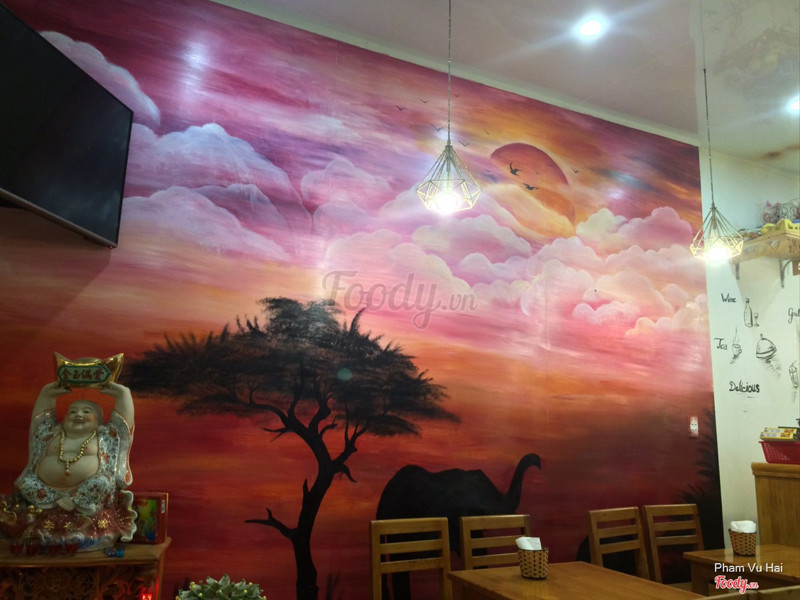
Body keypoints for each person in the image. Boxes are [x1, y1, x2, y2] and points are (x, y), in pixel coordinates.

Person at [0, 381, 137, 552]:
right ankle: (50, 507)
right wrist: (46, 395)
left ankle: (76, 504)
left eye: (86, 411)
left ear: (98, 421)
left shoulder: (104, 437)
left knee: (104, 482)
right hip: (45, 492)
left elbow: (123, 426)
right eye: (72, 411)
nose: (78, 414)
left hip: (85, 494)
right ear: (64, 420)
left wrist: (123, 396)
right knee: (27, 482)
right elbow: (39, 423)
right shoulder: (51, 435)